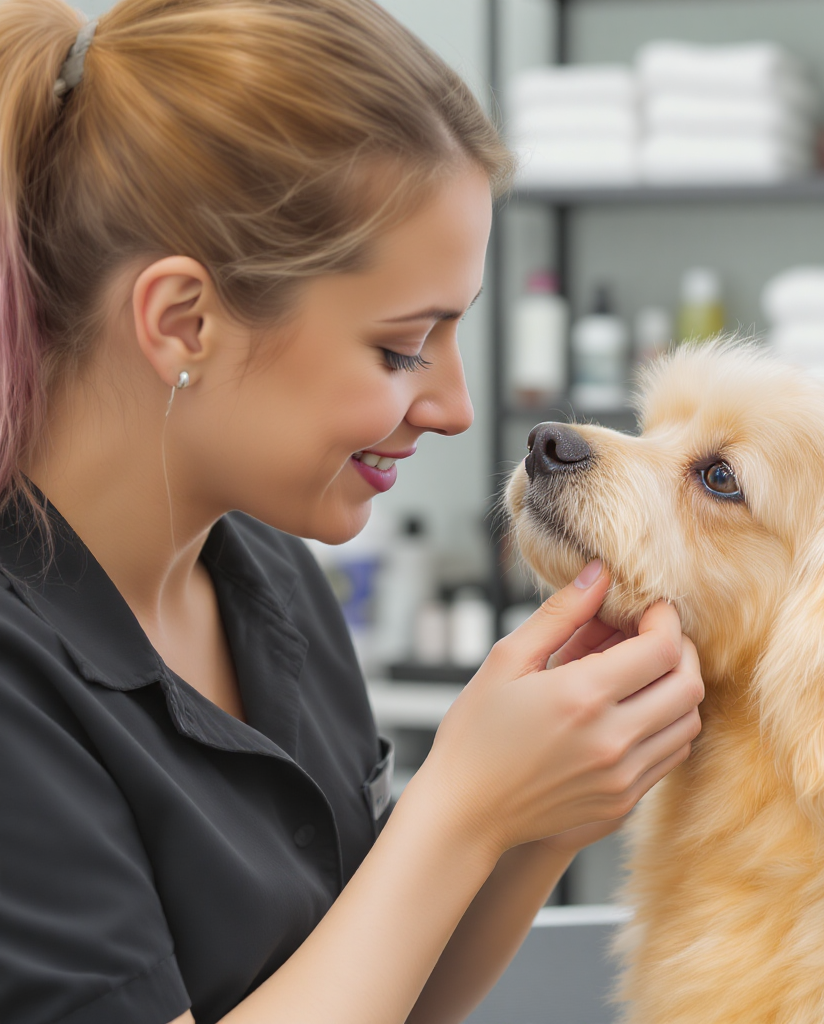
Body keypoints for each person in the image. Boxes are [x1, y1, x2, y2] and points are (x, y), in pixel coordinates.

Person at [0, 1, 706, 1022]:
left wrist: (540, 812)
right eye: (401, 347)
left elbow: (389, 1001)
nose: (458, 411)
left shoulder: (265, 581)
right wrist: (463, 809)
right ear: (182, 321)